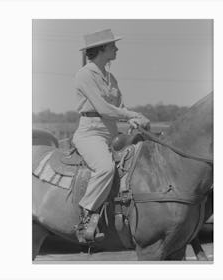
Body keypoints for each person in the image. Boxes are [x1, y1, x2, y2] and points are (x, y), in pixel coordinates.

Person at [72, 29, 150, 242]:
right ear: (102, 49)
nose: (117, 48)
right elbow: (104, 108)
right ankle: (86, 216)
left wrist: (133, 119)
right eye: (113, 46)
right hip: (90, 134)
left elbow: (120, 106)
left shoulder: (110, 76)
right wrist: (131, 114)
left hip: (113, 133)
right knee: (105, 168)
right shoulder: (84, 75)